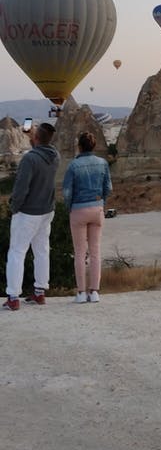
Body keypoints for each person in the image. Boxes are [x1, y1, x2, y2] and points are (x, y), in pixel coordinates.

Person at [3, 122, 60, 311]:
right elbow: (42, 147)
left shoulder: (30, 159)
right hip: (47, 210)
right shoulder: (55, 156)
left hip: (28, 212)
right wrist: (35, 137)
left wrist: (14, 207)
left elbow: (21, 188)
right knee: (42, 250)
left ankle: (13, 296)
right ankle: (39, 292)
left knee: (17, 252)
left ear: (36, 138)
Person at [62, 131, 112, 304]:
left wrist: (70, 208)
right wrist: (101, 203)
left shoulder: (73, 166)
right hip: (96, 208)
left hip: (78, 210)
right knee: (96, 251)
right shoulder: (103, 163)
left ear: (80, 146)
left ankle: (81, 292)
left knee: (80, 253)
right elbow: (108, 187)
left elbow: (67, 192)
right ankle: (95, 291)